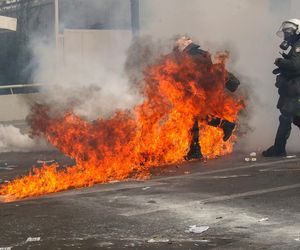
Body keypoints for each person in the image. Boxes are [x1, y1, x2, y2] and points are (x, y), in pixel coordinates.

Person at [174, 36, 240, 160]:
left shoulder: (194, 57)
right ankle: (195, 150)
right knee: (195, 118)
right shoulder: (196, 54)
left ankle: (224, 126)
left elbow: (196, 76)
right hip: (198, 92)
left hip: (198, 92)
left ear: (184, 44)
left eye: (178, 45)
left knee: (194, 117)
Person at [263, 19, 300, 157]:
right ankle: (278, 148)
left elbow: (296, 66)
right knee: (295, 117)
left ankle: (278, 149)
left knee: (286, 117)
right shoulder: (295, 45)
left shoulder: (298, 45)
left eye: (288, 32)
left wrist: (281, 62)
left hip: (296, 88)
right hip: (294, 88)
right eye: (285, 32)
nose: (286, 34)